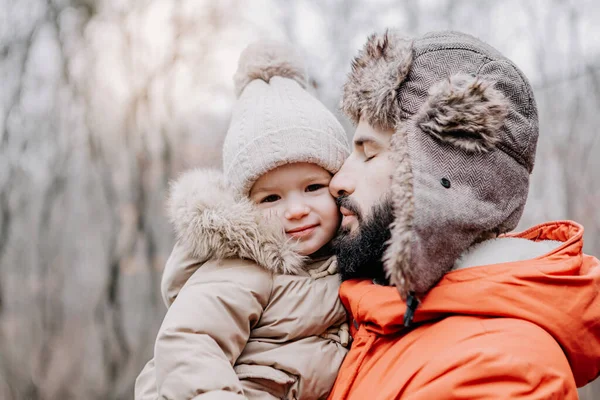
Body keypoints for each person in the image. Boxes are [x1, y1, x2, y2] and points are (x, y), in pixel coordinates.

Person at [327, 30, 600, 399]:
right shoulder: (376, 324)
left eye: (369, 152)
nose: (338, 182)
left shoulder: (501, 368)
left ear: (440, 178)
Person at [134, 41, 351, 400]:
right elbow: (190, 342)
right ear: (245, 207)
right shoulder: (244, 266)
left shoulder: (343, 260)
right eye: (271, 198)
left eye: (313, 187)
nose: (295, 209)